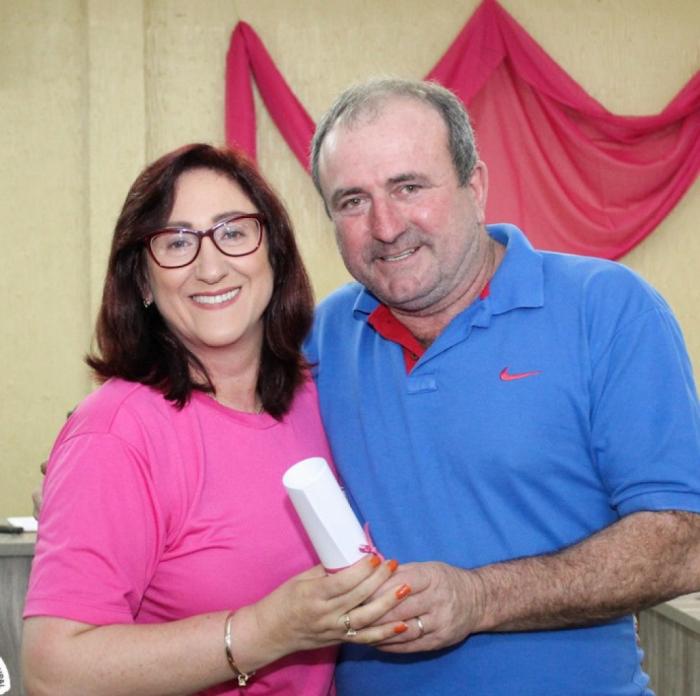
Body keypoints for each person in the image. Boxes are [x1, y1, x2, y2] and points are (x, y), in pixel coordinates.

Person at [305, 78, 700, 695]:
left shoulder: (606, 308)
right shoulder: (321, 337)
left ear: (476, 187)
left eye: (409, 187)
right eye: (353, 200)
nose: (385, 225)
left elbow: (683, 541)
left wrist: (479, 598)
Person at [22, 143, 411, 696]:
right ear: (142, 281)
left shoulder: (317, 394)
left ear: (274, 253)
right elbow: (52, 673)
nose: (210, 267)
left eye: (233, 232)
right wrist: (265, 630)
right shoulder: (116, 433)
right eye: (177, 242)